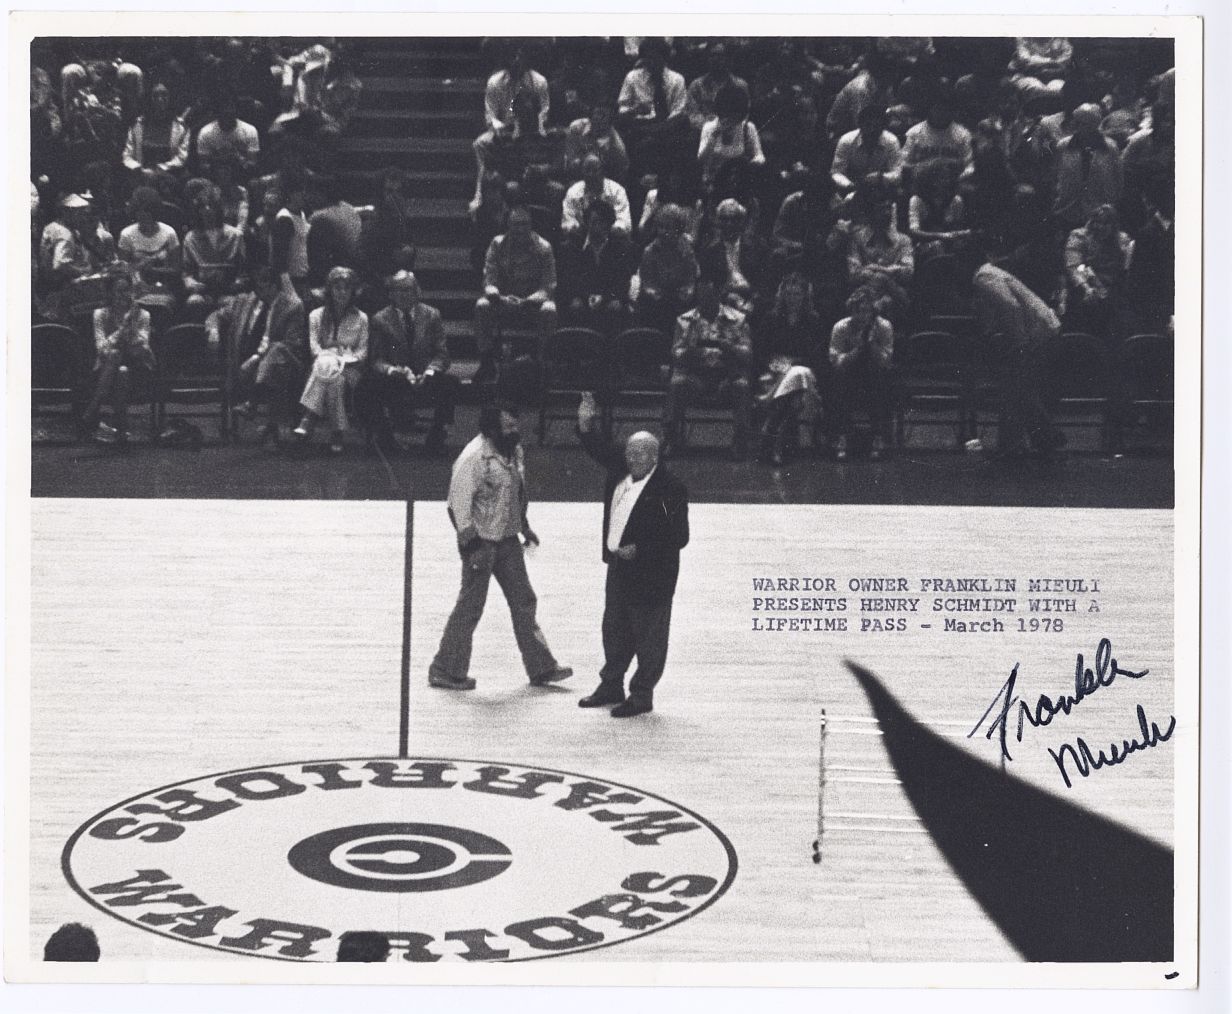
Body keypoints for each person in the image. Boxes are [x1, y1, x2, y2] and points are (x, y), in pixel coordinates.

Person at [427, 401, 573, 691]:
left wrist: (524, 526)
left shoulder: (513, 451)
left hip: (507, 540)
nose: (514, 431)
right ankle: (445, 669)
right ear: (492, 428)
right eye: (508, 426)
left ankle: (541, 667)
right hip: (480, 542)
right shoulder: (473, 458)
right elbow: (457, 506)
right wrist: (472, 547)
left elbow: (516, 493)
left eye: (516, 425)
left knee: (524, 601)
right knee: (470, 606)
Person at [575, 393, 689, 718]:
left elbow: (678, 535)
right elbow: (598, 448)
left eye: (640, 454)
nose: (632, 459)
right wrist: (585, 424)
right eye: (629, 453)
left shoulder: (668, 489)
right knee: (614, 629)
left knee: (649, 636)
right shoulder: (621, 471)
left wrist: (640, 549)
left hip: (652, 574)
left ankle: (641, 694)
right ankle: (611, 685)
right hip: (619, 569)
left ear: (655, 456)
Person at [971, 253, 1066, 458]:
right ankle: (1024, 444)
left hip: (1034, 332)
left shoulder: (983, 277)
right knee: (1017, 388)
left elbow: (1010, 306)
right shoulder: (991, 272)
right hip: (1038, 327)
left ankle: (1043, 438)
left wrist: (1019, 343)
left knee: (1019, 388)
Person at [359, 270, 458, 454]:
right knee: (369, 383)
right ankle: (385, 436)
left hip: (425, 377)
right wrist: (392, 370)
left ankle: (436, 435)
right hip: (397, 379)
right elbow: (376, 359)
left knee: (450, 383)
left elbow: (442, 354)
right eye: (398, 290)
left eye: (408, 290)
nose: (403, 295)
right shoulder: (380, 319)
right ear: (391, 294)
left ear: (417, 292)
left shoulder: (432, 315)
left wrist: (430, 371)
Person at [663, 272, 754, 460]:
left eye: (710, 295)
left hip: (726, 376)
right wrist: (689, 350)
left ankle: (740, 441)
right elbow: (676, 354)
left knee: (742, 385)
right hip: (696, 376)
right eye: (702, 295)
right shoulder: (684, 321)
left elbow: (747, 354)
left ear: (719, 295)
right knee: (677, 383)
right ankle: (672, 438)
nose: (706, 300)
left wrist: (731, 348)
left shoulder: (738, 320)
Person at [474, 205, 557, 384]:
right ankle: (486, 361)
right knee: (482, 305)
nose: (520, 229)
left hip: (532, 305)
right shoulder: (497, 244)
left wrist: (528, 300)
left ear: (531, 225)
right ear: (509, 225)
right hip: (503, 302)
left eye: (524, 224)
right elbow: (489, 280)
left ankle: (542, 362)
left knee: (549, 309)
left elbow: (548, 286)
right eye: (516, 224)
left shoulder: (544, 247)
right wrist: (500, 297)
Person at [226, 267, 309, 445]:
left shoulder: (292, 306)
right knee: (274, 369)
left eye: (263, 288)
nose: (259, 293)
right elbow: (218, 314)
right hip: (265, 363)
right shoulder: (249, 301)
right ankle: (272, 427)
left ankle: (253, 402)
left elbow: (291, 344)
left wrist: (257, 357)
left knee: (277, 352)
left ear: (274, 287)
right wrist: (212, 329)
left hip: (288, 359)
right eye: (257, 288)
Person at [293, 265, 368, 454]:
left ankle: (308, 419)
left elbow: (362, 352)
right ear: (330, 290)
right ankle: (337, 431)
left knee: (330, 370)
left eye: (346, 288)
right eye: (337, 288)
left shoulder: (362, 318)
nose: (342, 293)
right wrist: (331, 357)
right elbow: (314, 348)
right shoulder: (315, 316)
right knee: (333, 378)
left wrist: (341, 359)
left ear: (352, 292)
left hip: (351, 369)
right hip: (322, 365)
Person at [755, 272, 824, 466]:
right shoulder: (771, 319)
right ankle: (778, 444)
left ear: (804, 296)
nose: (793, 299)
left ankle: (771, 432)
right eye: (789, 294)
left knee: (797, 373)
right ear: (782, 295)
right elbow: (760, 350)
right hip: (775, 371)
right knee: (793, 399)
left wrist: (792, 363)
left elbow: (817, 355)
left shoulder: (813, 320)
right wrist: (774, 363)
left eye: (797, 294)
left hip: (804, 369)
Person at [82, 270, 155, 448]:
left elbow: (142, 347)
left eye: (127, 290)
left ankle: (93, 410)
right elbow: (101, 349)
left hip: (137, 365)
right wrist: (122, 329)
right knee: (119, 367)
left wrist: (130, 326)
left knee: (118, 360)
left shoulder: (143, 315)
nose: (124, 295)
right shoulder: (100, 314)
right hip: (107, 368)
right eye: (119, 291)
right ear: (110, 293)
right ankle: (121, 430)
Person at [828, 286, 895, 462]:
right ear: (851, 310)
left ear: (873, 312)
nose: (862, 316)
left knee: (879, 378)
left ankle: (878, 437)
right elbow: (836, 362)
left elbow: (886, 361)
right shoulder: (841, 327)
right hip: (848, 374)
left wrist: (872, 344)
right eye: (858, 311)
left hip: (875, 374)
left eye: (866, 311)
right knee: (838, 381)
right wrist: (857, 349)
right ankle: (841, 436)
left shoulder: (884, 327)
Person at [557, 199, 637, 336]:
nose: (597, 227)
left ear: (609, 224)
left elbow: (622, 280)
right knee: (575, 306)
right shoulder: (572, 246)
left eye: (602, 222)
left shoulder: (621, 247)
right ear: (586, 222)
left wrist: (604, 298)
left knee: (615, 307)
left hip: (609, 297)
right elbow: (570, 278)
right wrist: (585, 296)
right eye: (593, 222)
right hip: (582, 296)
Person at [560, 153, 632, 238]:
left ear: (603, 171)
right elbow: (567, 221)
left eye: (595, 170)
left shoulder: (617, 191)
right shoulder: (573, 192)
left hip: (610, 237)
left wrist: (603, 231)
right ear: (582, 172)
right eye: (587, 170)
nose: (591, 174)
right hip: (581, 237)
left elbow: (624, 222)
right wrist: (577, 228)